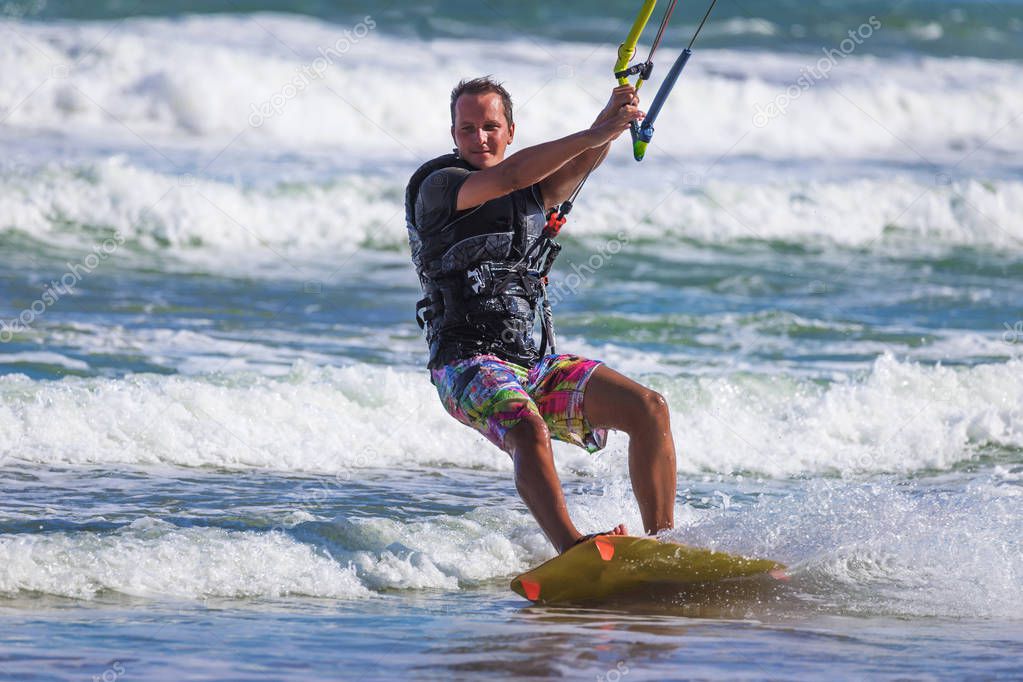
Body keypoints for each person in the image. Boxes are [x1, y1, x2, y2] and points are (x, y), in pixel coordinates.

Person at [405, 76, 677, 553]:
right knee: (525, 426)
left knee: (648, 408)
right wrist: (595, 132)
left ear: (511, 131)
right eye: (466, 129)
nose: (480, 138)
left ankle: (665, 544)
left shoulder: (531, 193)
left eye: (490, 126)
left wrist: (612, 121)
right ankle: (572, 548)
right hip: (465, 366)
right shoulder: (438, 187)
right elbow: (509, 178)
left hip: (531, 366)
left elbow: (581, 162)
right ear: (453, 136)